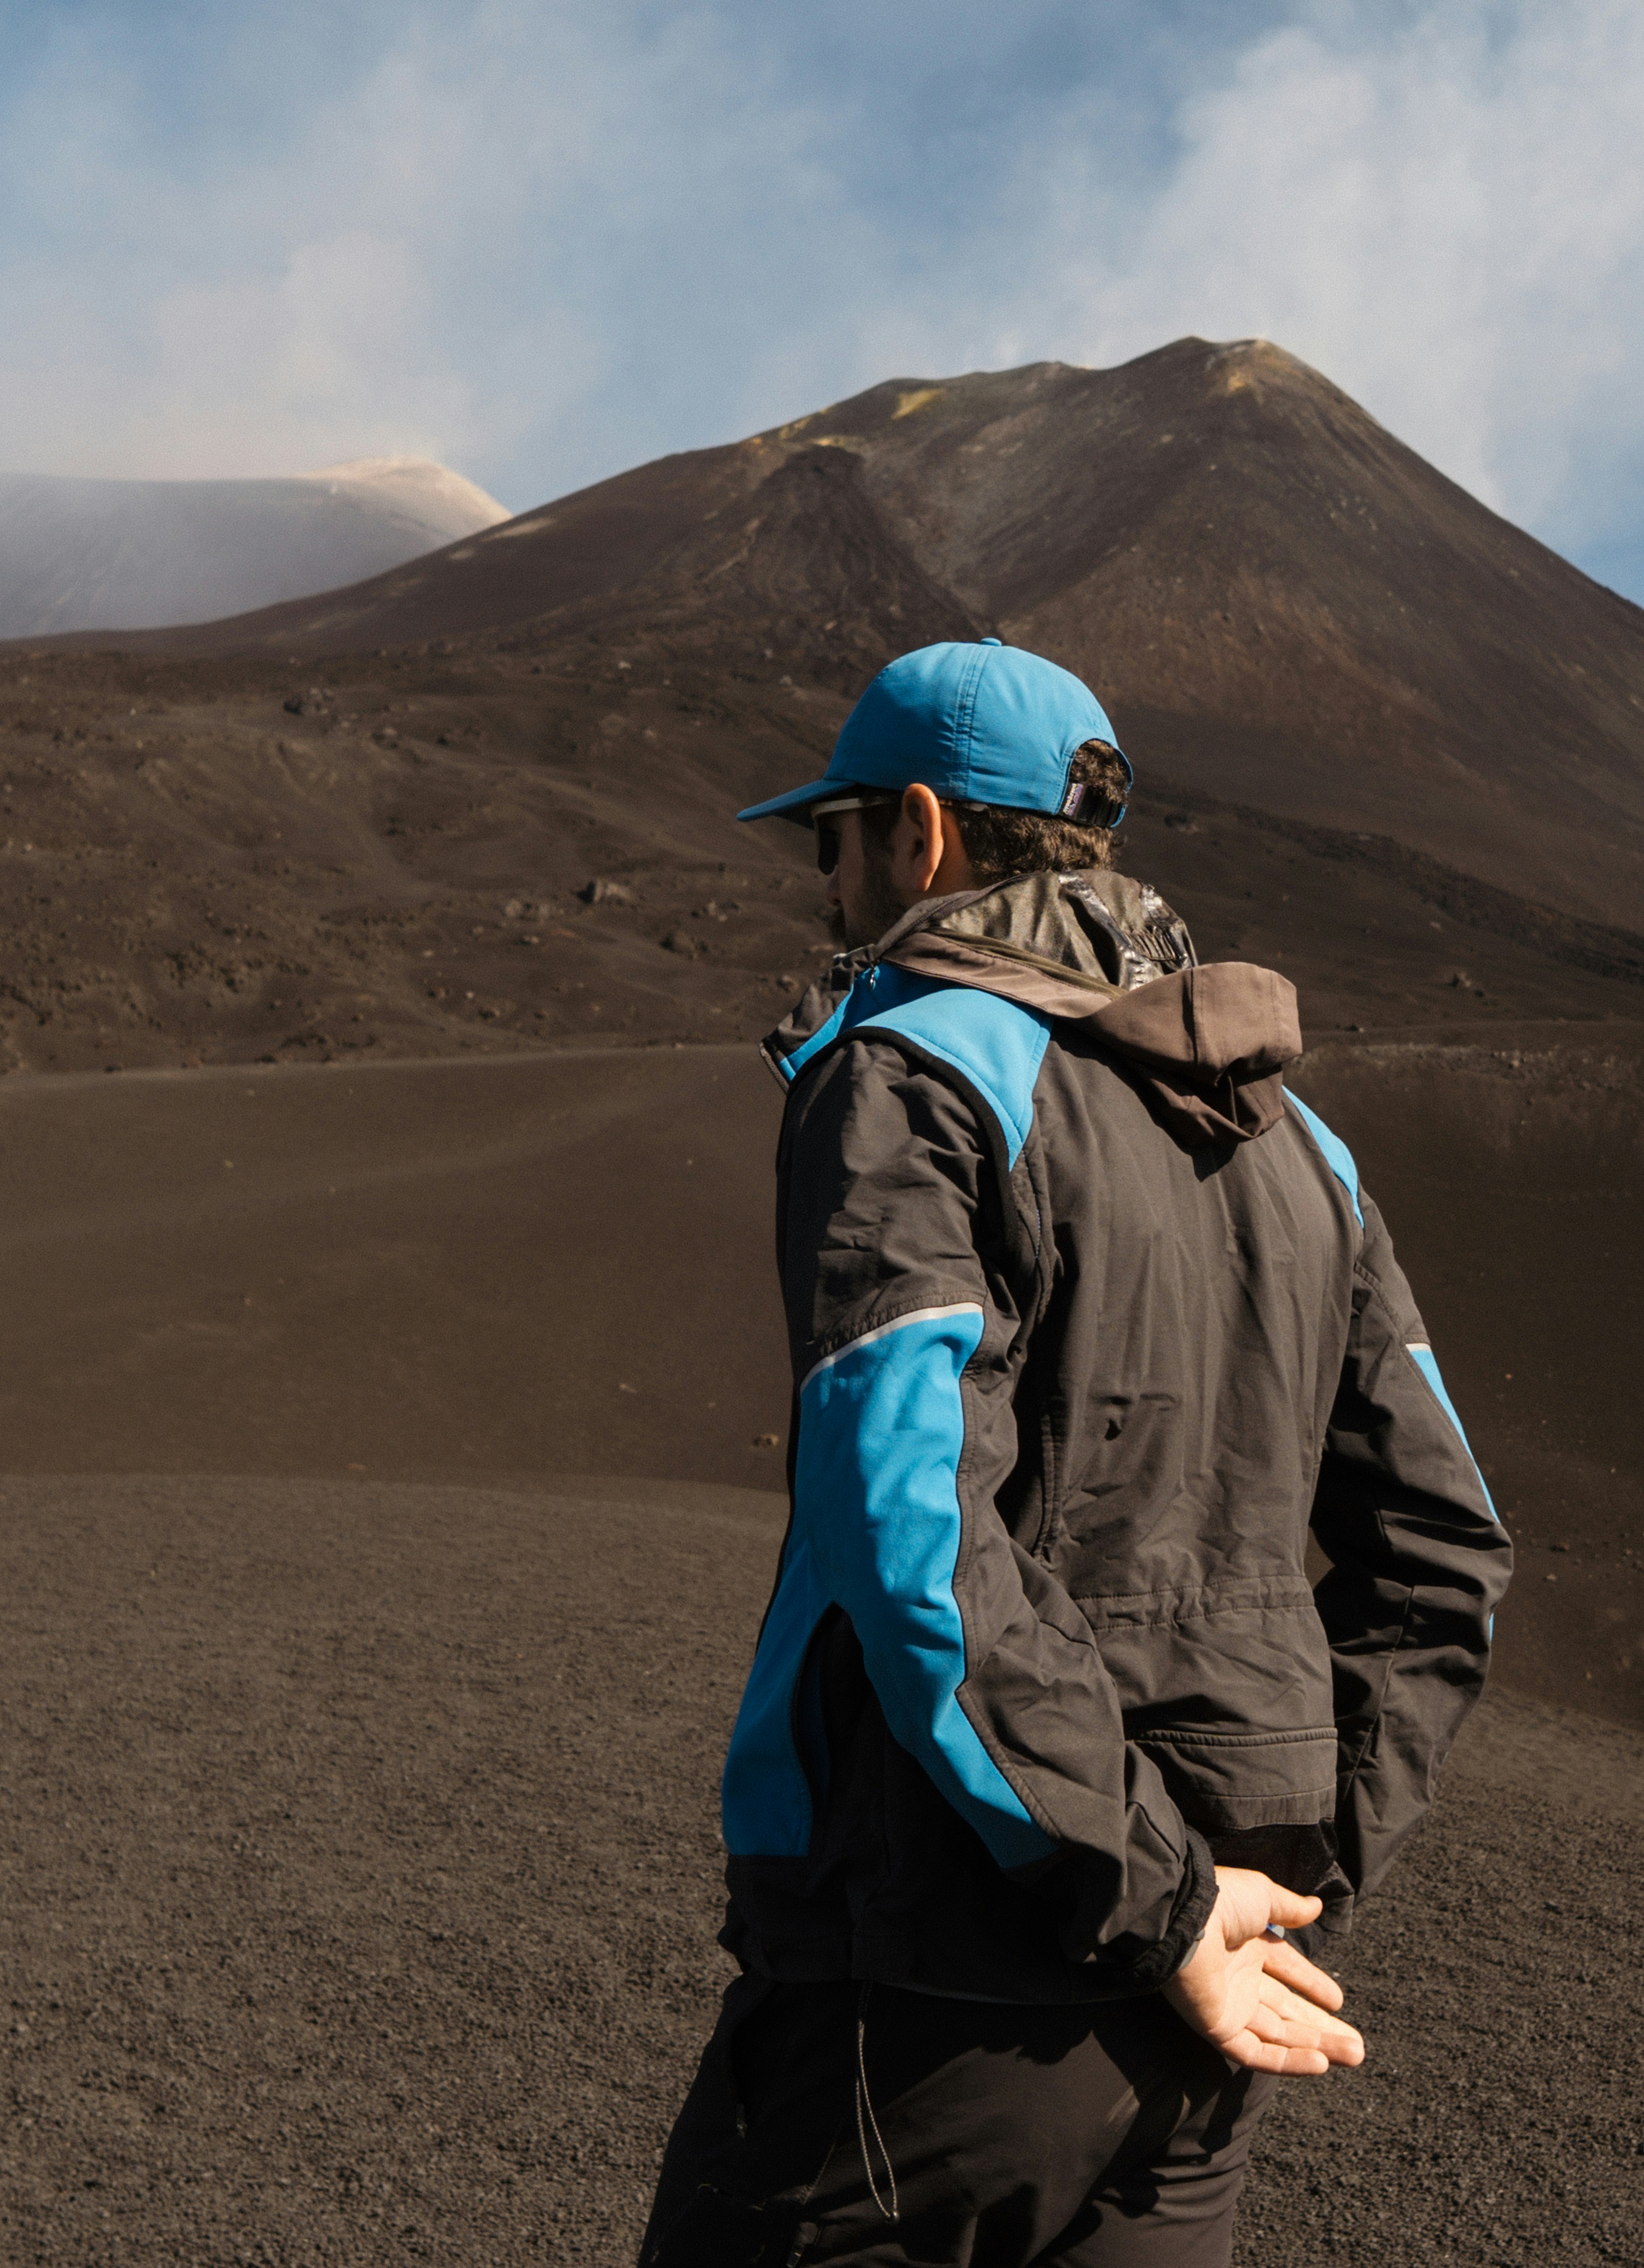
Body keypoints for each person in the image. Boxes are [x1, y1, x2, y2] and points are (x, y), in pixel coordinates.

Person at [640, 639, 1512, 2266]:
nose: (825, 882)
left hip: (934, 1979)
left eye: (830, 837)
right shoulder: (1298, 1142)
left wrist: (1160, 1896)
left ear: (920, 832)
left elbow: (913, 1541)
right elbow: (1449, 1546)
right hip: (1194, 2028)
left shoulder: (909, 1078)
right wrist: (1281, 1869)